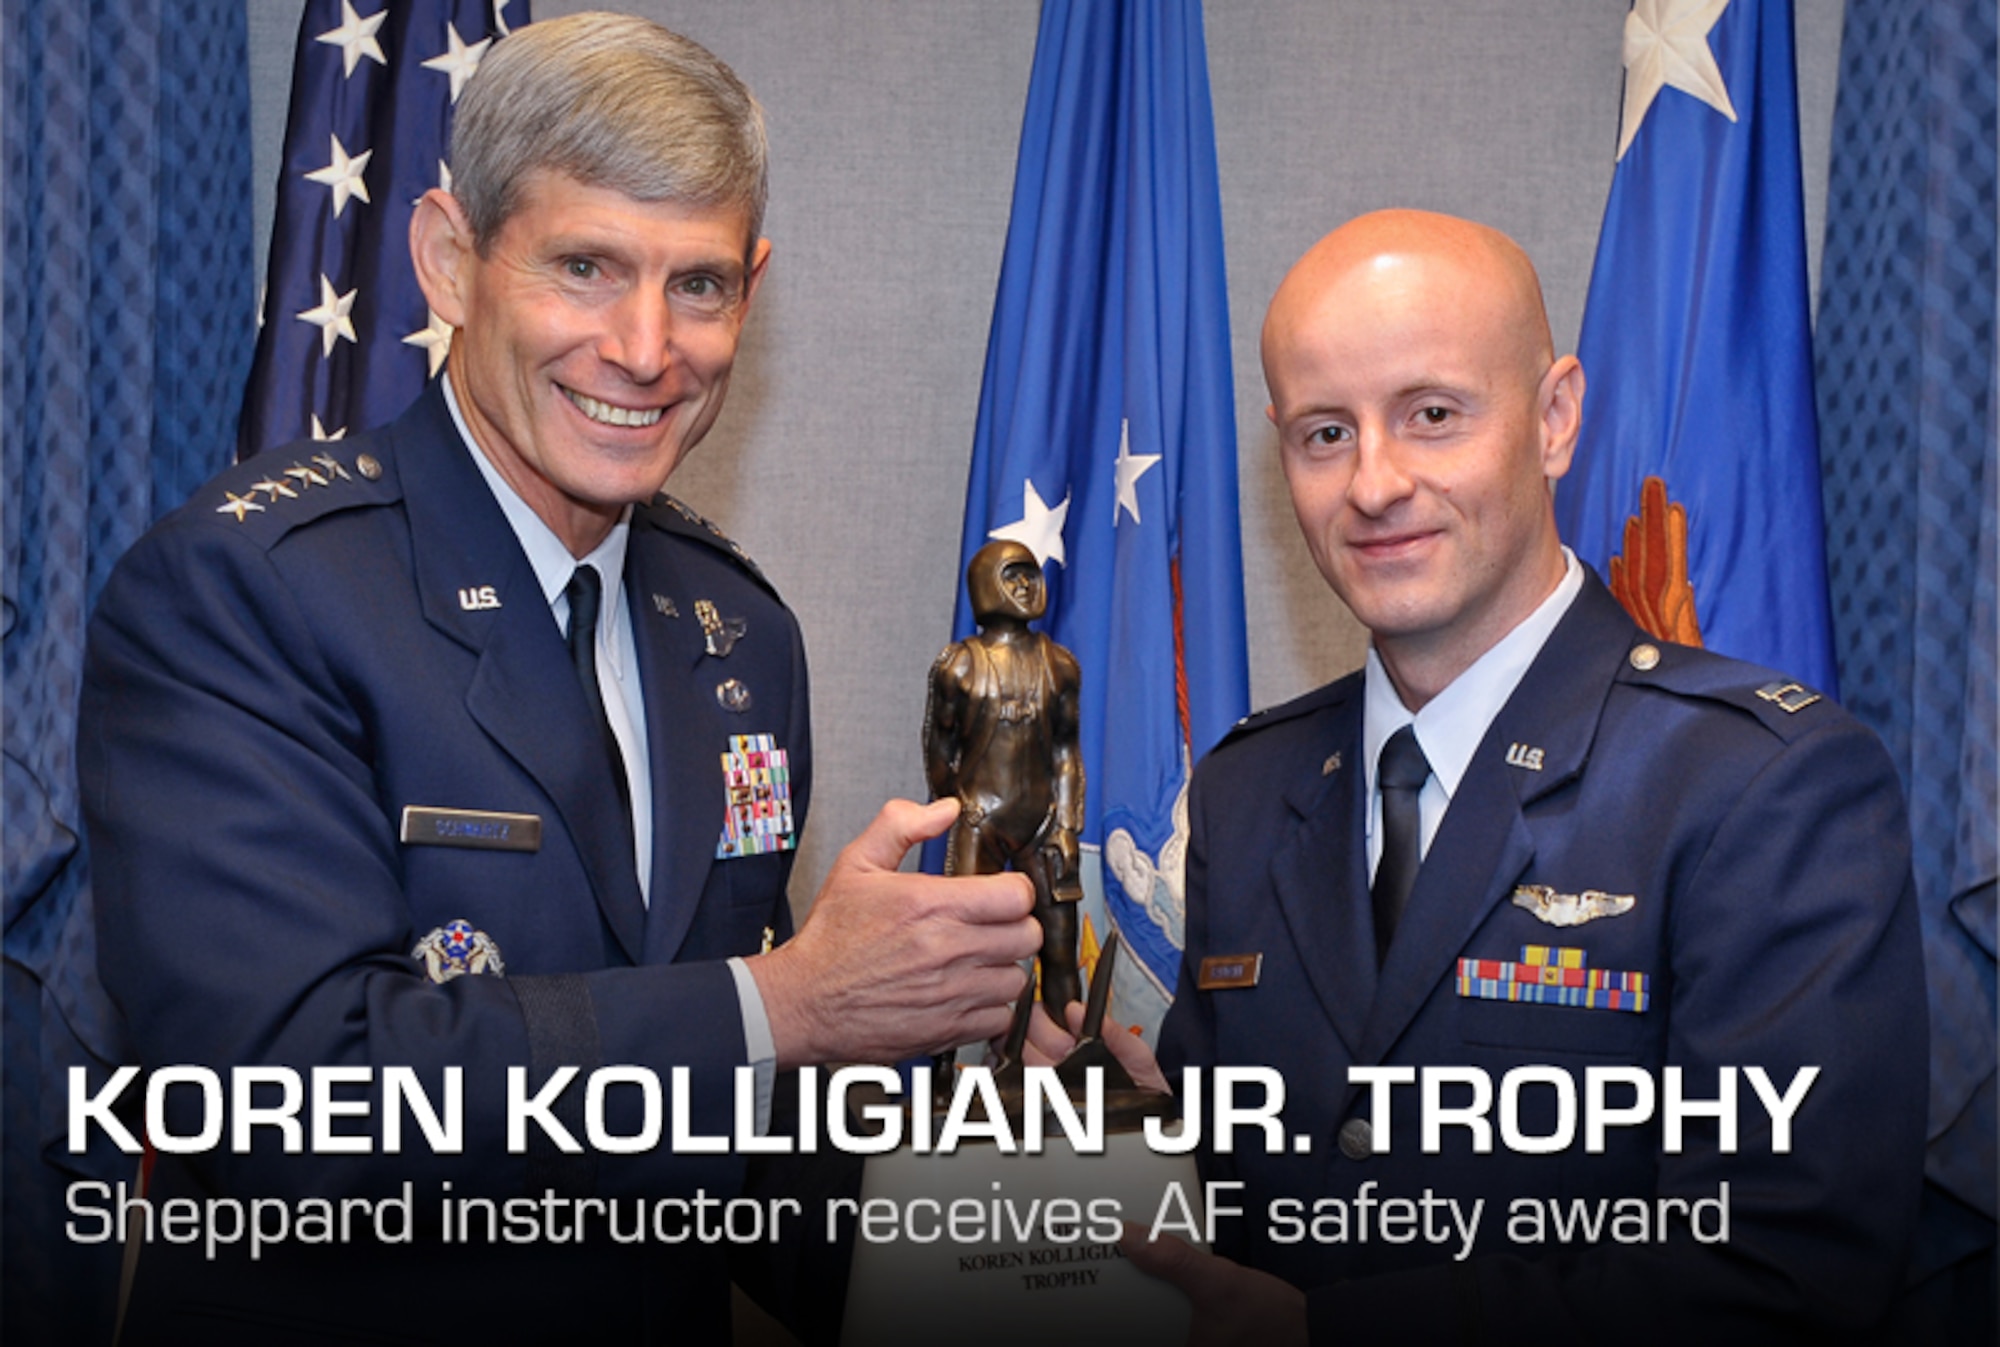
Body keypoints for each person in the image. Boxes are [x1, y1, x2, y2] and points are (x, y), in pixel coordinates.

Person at [77, 14, 1036, 1343]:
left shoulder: (737, 634)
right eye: (585, 267)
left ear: (751, 288)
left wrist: (968, 1113)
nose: (647, 348)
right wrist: (790, 1001)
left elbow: (714, 1123)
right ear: (449, 260)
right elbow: (282, 1105)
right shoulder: (248, 591)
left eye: (697, 285)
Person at [1096, 210, 1927, 1342]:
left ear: (1552, 419)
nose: (1373, 484)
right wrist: (1095, 1129)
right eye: (1324, 433)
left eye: (1430, 415)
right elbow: (1237, 1197)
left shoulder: (1759, 786)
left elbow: (1780, 1272)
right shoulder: (1250, 791)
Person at [925, 538, 1087, 1012]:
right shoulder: (958, 666)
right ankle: (943, 1074)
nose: (1024, 586)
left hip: (1043, 824)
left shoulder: (1060, 665)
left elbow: (1065, 751)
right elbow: (939, 748)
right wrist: (954, 807)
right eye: (1012, 576)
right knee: (961, 955)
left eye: (1029, 575)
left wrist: (1066, 825)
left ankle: (1069, 1064)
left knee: (1060, 950)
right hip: (981, 820)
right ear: (985, 586)